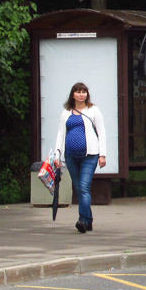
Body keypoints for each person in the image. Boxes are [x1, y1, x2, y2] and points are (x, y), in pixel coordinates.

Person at [53, 82, 107, 233]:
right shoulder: (66, 112)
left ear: (87, 95)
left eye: (84, 92)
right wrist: (57, 155)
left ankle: (82, 220)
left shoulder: (93, 110)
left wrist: (102, 155)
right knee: (78, 188)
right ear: (73, 94)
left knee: (84, 187)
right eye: (78, 92)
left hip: (90, 155)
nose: (81, 94)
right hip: (71, 156)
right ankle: (88, 220)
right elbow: (60, 134)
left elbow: (101, 133)